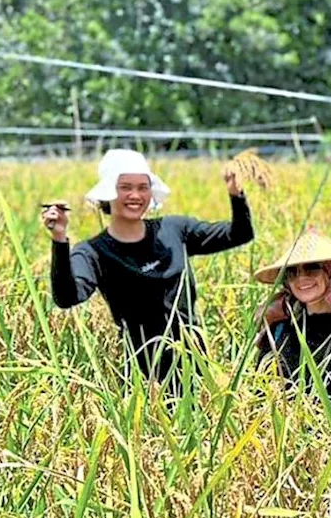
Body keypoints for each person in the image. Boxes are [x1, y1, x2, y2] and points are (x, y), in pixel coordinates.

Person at [43, 148, 254, 385]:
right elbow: (67, 297)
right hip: (142, 375)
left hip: (194, 364)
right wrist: (59, 239)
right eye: (125, 187)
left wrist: (236, 194)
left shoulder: (175, 230)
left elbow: (239, 234)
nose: (135, 195)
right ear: (108, 194)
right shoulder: (94, 252)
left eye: (143, 187)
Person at [254, 229, 331, 399]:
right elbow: (261, 396)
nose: (301, 277)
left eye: (312, 268)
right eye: (292, 271)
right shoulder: (278, 334)